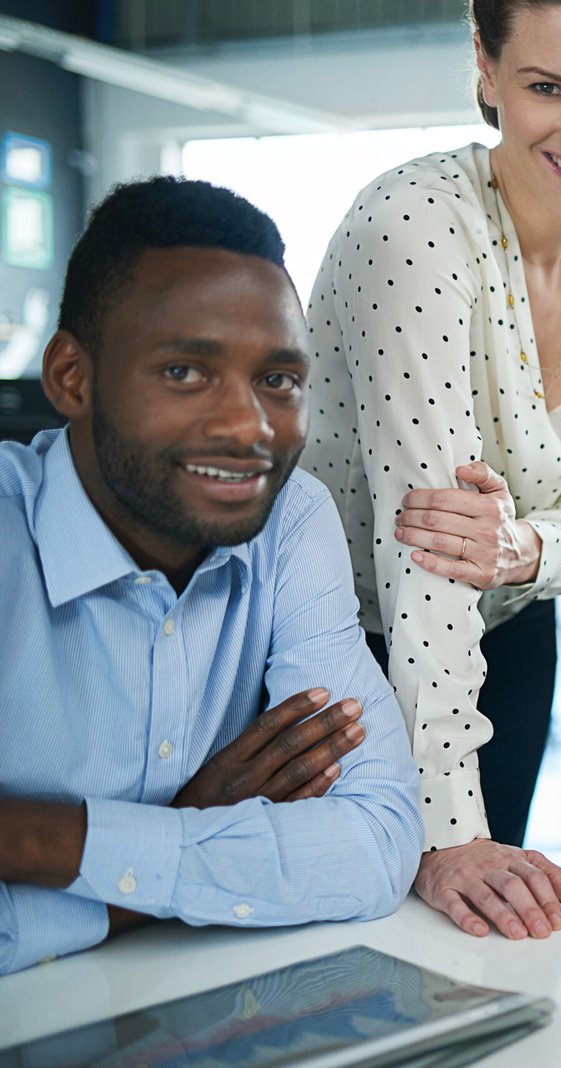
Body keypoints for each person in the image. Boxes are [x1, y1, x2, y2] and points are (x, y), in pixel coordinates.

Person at [300, 0, 561, 939]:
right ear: (486, 66)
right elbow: (426, 553)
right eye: (547, 87)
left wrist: (523, 547)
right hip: (345, 647)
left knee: (480, 949)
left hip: (507, 636)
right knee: (360, 940)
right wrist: (449, 835)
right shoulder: (416, 228)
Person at [0, 177, 423, 976]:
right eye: (185, 372)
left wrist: (40, 839)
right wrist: (195, 838)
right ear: (71, 377)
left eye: (279, 379)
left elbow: (375, 846)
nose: (248, 427)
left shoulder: (291, 515)